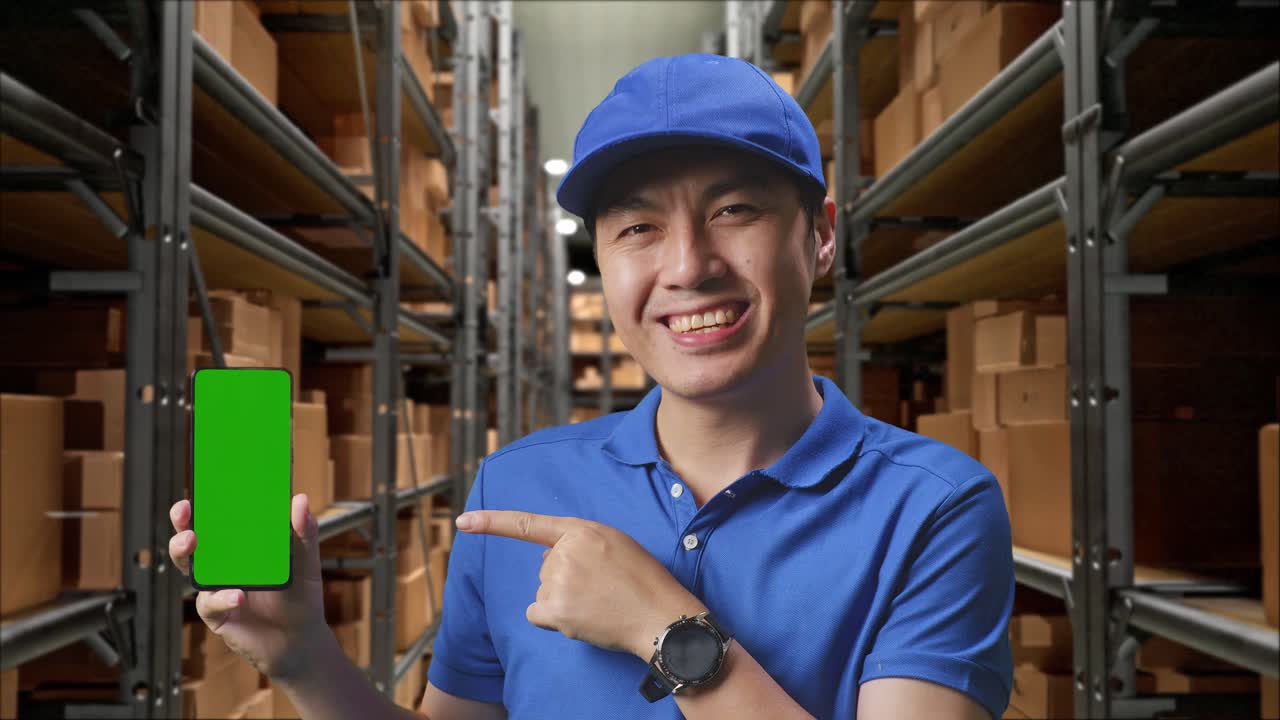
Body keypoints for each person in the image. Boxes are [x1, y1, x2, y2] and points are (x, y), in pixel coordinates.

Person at [168, 53, 1014, 719]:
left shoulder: (934, 509)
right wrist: (308, 661)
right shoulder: (517, 487)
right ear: (603, 263)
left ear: (821, 238)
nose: (687, 267)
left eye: (735, 211)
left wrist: (667, 632)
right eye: (638, 228)